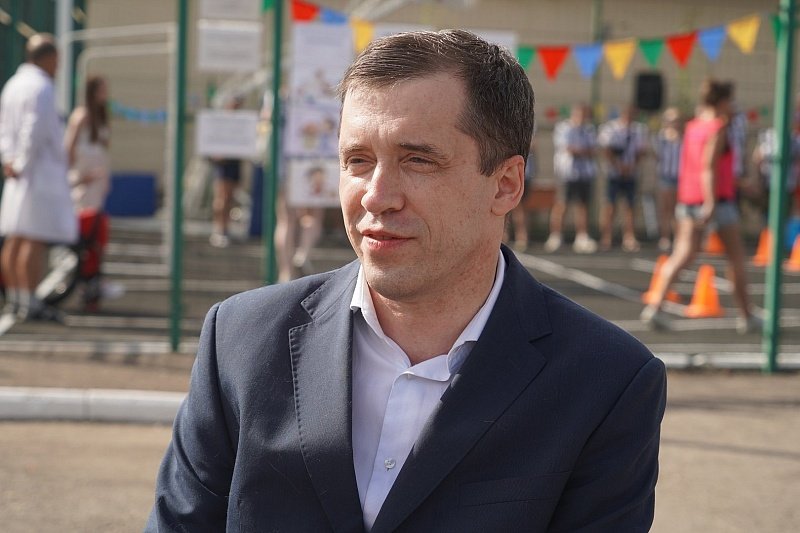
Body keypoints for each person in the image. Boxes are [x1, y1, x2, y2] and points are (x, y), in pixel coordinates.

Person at [147, 30, 666, 532]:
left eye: (417, 160)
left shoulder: (605, 382)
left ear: (506, 184)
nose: (376, 195)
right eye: (357, 160)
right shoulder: (240, 342)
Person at [641, 79, 761, 334]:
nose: (733, 106)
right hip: (717, 201)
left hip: (688, 198)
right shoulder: (718, 127)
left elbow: (697, 166)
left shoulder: (693, 126)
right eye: (730, 101)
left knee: (682, 254)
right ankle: (747, 315)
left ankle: (655, 307)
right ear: (722, 101)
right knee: (736, 258)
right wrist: (711, 202)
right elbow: (708, 168)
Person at [0, 34, 77, 320]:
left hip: (18, 174)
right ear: (49, 57)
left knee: (15, 238)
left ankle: (16, 298)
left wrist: (9, 160)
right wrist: (21, 162)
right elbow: (32, 130)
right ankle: (30, 301)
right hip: (36, 175)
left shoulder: (13, 84)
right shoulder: (41, 87)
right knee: (32, 240)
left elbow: (5, 129)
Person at [64, 75, 111, 311]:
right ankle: (78, 282)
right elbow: (69, 148)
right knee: (84, 235)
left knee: (96, 237)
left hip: (97, 185)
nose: (106, 94)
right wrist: (79, 177)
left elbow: (103, 151)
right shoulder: (81, 116)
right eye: (102, 89)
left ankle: (91, 286)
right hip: (82, 184)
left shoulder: (101, 118)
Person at [545, 103, 598, 254]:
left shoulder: (589, 130)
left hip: (585, 174)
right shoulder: (564, 128)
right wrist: (583, 150)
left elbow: (593, 149)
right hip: (567, 173)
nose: (582, 118)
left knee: (582, 205)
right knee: (562, 204)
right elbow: (568, 148)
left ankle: (582, 236)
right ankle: (555, 235)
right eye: (579, 115)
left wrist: (582, 150)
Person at [598, 105, 648, 252]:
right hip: (614, 173)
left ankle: (629, 237)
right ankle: (606, 236)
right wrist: (618, 166)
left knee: (630, 206)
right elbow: (606, 150)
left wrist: (632, 167)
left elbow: (641, 151)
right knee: (610, 205)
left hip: (631, 173)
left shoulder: (639, 130)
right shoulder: (611, 129)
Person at [209, 96, 245, 248]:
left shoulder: (240, 123)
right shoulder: (219, 122)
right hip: (222, 165)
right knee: (221, 198)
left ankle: (225, 228)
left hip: (234, 163)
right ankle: (218, 228)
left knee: (230, 198)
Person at [654, 107, 683, 252]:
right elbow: (657, 154)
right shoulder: (661, 137)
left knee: (678, 210)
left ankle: (678, 237)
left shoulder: (683, 137)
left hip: (680, 177)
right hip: (666, 176)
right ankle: (665, 237)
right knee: (666, 209)